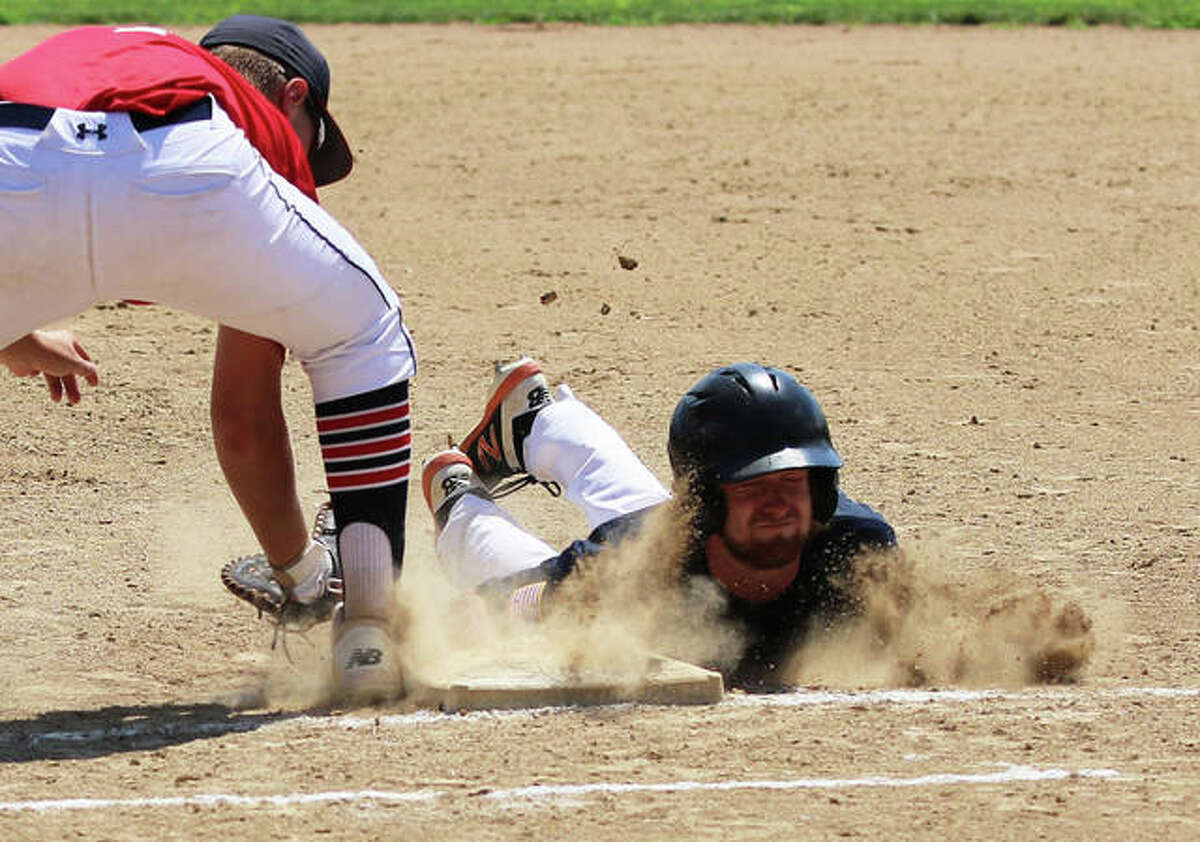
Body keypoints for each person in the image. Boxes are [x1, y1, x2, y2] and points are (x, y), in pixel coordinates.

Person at [0, 17, 414, 703]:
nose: (309, 166)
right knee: (360, 332)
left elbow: (68, 176)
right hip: (191, 161)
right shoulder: (257, 125)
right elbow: (244, 418)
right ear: (293, 98)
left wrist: (16, 333)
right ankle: (368, 629)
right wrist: (301, 575)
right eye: (316, 142)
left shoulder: (127, 54)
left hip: (9, 161)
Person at [421, 358, 898, 690]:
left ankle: (537, 421)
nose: (778, 505)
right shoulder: (626, 567)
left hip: (672, 532)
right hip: (626, 559)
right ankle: (459, 501)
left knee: (633, 502)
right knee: (537, 578)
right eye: (752, 488)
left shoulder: (856, 555)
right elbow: (513, 604)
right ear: (705, 503)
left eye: (793, 482)